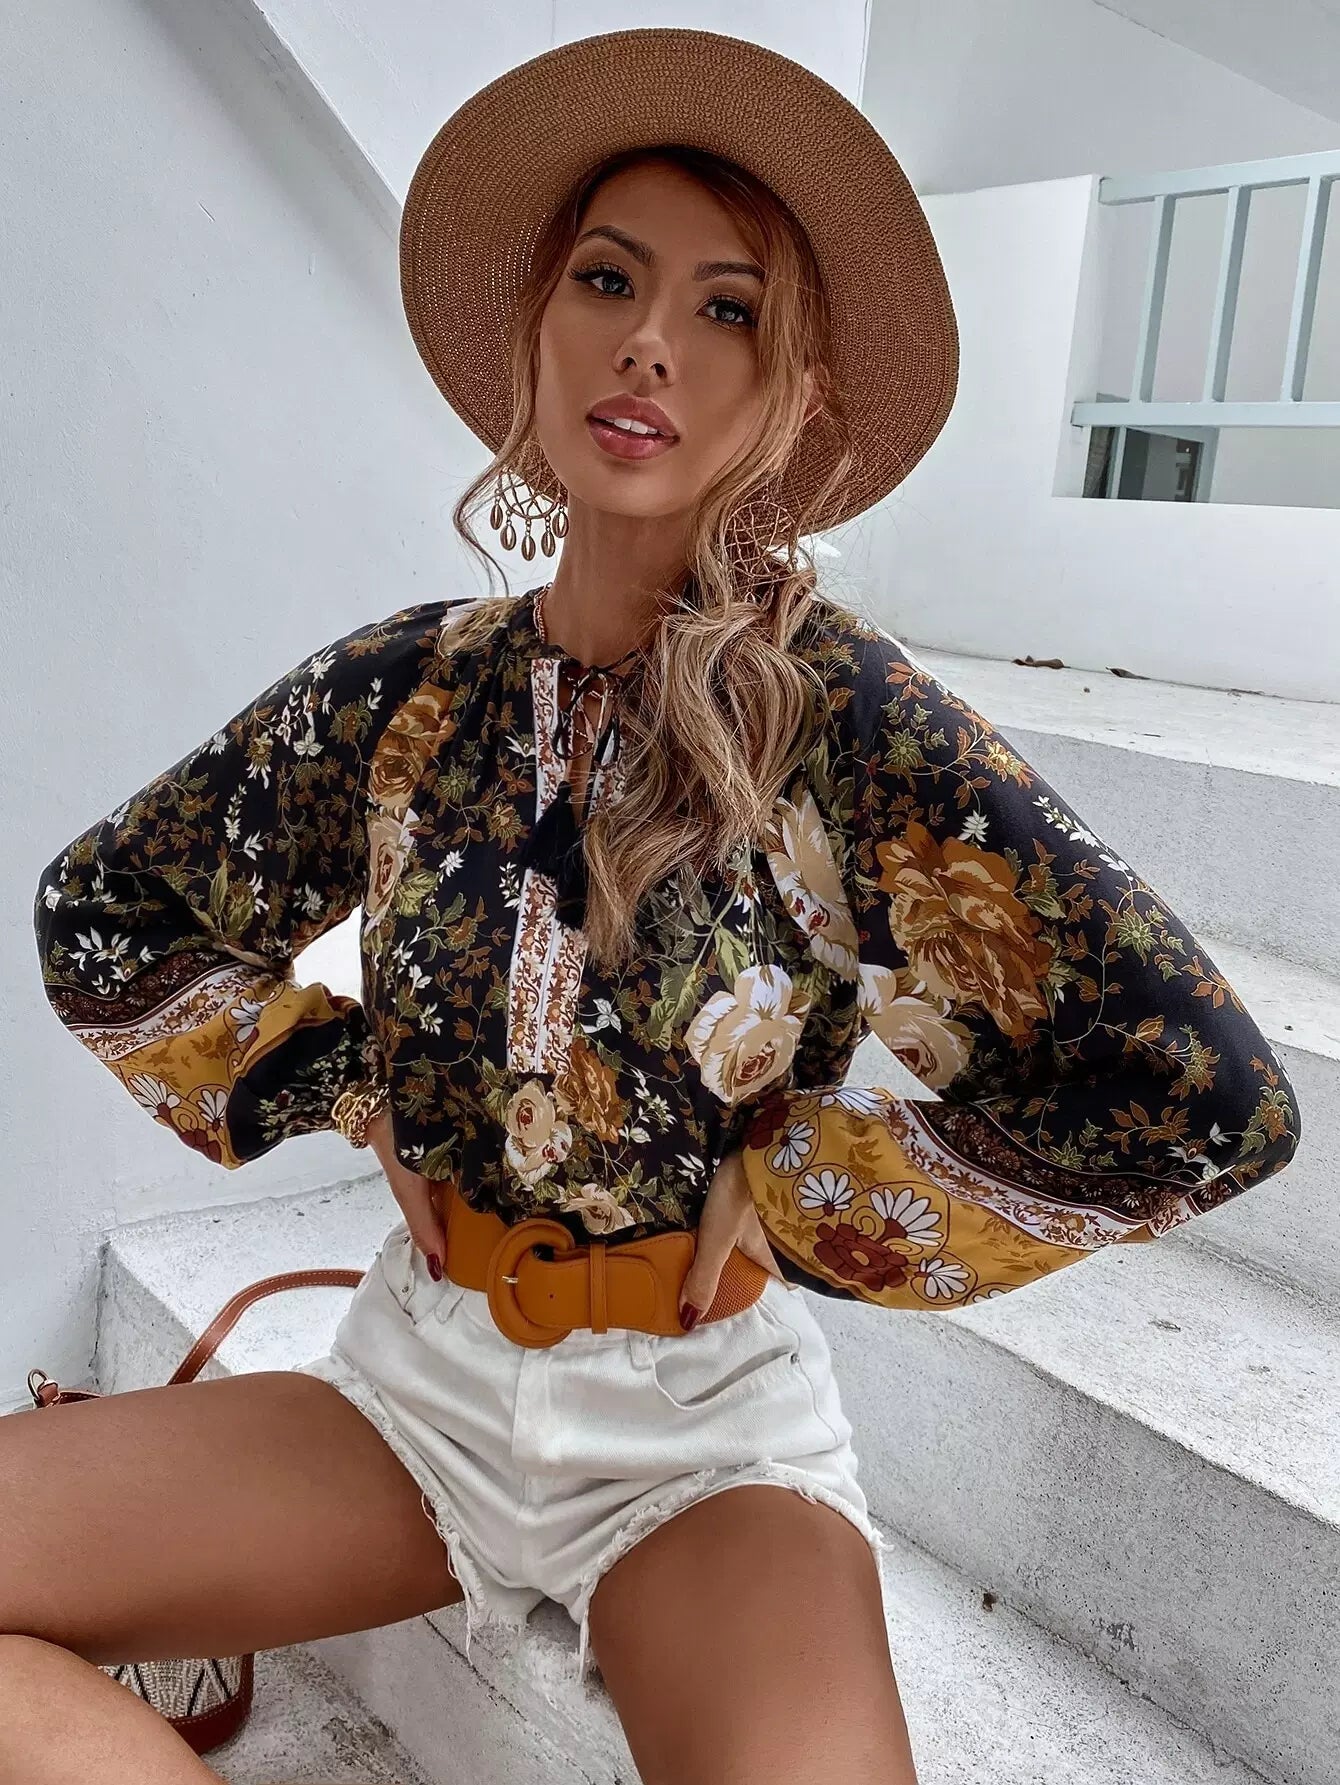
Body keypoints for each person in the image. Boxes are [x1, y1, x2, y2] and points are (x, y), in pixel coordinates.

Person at [12, 26, 1299, 1785]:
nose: (648, 343)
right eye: (609, 281)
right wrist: (348, 1085)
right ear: (535, 329)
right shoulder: (407, 691)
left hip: (703, 1438)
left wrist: (812, 1189)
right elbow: (106, 914)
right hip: (414, 1382)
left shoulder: (845, 721)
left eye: (727, 310)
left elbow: (1201, 1096)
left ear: (797, 397)